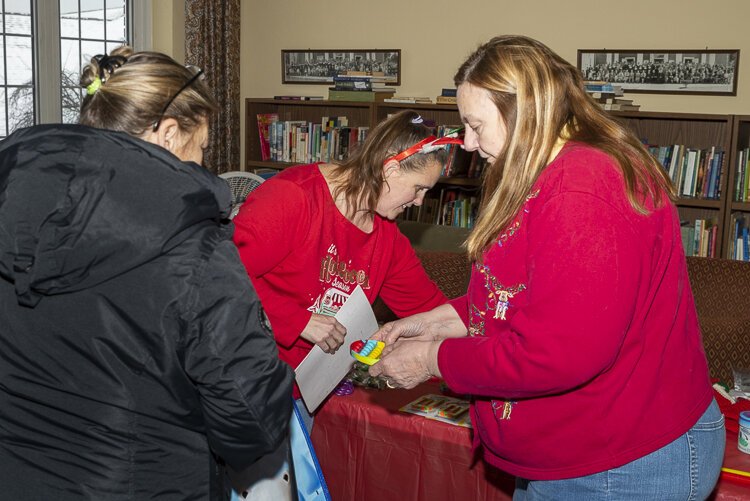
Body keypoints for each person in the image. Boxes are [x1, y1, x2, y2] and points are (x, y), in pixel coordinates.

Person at [369, 35, 725, 500]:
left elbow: (556, 352)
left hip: (623, 462)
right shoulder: (544, 169)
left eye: (476, 125)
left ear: (526, 114)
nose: (470, 145)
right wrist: (428, 323)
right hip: (578, 452)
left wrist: (429, 358)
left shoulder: (584, 190)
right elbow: (518, 296)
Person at [0, 46, 293, 500]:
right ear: (169, 133)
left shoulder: (10, 209)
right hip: (146, 481)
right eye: (201, 149)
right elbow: (250, 416)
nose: (202, 164)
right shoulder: (196, 247)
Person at [232, 110, 456, 426]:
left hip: (304, 390)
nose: (420, 202)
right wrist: (296, 320)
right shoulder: (293, 197)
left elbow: (429, 308)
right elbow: (219, 276)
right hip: (247, 379)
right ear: (390, 169)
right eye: (419, 188)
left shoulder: (386, 236)